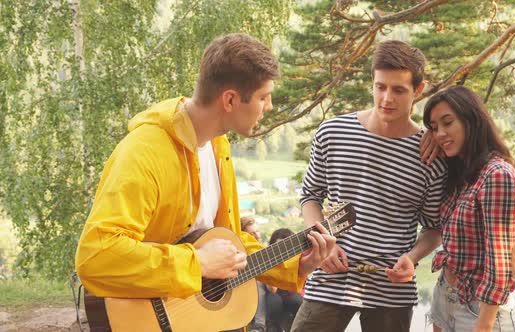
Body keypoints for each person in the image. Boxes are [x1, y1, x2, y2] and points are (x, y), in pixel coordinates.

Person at [74, 33, 336, 330]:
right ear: (230, 100)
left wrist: (297, 264)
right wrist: (196, 263)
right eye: (263, 97)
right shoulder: (143, 152)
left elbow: (228, 248)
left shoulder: (217, 147)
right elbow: (96, 257)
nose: (270, 107)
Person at [291, 40, 447, 332]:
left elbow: (434, 228)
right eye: (380, 87)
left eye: (399, 90)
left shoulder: (430, 155)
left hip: (392, 287)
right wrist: (323, 243)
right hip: (331, 275)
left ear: (419, 89)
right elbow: (310, 196)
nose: (387, 98)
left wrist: (412, 259)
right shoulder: (332, 133)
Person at [422, 85, 515, 332]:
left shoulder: (497, 175)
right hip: (445, 297)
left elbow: (501, 262)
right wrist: (430, 136)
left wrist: (484, 325)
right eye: (434, 127)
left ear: (472, 120)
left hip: (480, 311)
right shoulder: (460, 172)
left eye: (448, 123)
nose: (440, 134)